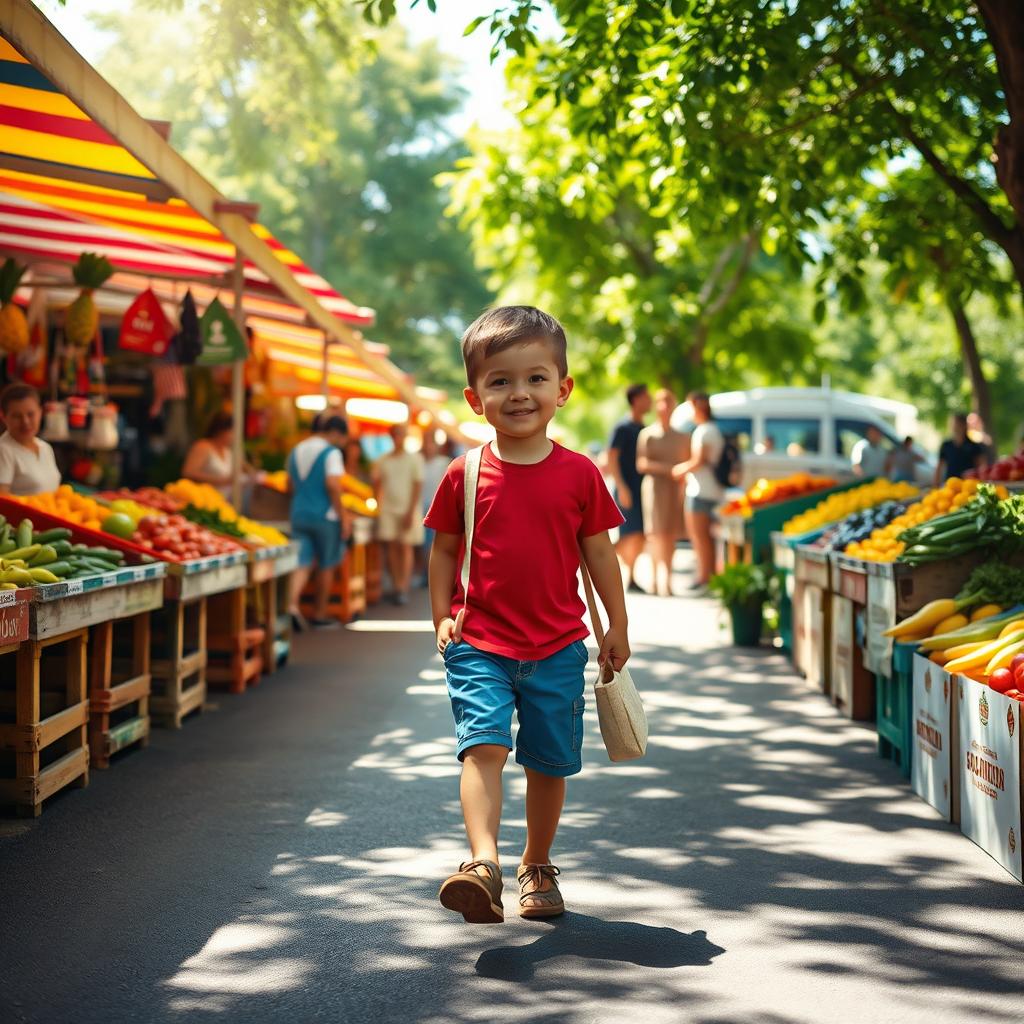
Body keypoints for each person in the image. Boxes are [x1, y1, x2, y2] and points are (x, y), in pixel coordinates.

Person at [425, 305, 629, 924]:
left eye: (536, 379)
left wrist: (617, 624)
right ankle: (481, 865)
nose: (519, 394)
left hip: (559, 646)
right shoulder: (464, 474)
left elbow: (599, 553)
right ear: (474, 396)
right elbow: (442, 549)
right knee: (480, 747)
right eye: (501, 381)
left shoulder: (580, 474)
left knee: (547, 762)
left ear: (563, 390)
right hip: (480, 642)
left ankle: (536, 863)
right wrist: (442, 614)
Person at [286, 413, 351, 631]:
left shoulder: (297, 450)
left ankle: (291, 605)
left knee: (302, 562)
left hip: (299, 513)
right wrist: (343, 517)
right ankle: (319, 614)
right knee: (326, 563)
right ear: (335, 433)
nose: (342, 444)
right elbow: (333, 485)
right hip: (325, 516)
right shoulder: (331, 453)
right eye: (343, 439)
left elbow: (289, 486)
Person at [636, 389, 689, 597]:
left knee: (671, 535)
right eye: (661, 403)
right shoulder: (647, 434)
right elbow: (642, 463)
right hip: (655, 488)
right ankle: (655, 579)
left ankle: (667, 579)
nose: (665, 407)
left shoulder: (683, 437)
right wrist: (669, 469)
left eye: (669, 402)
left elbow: (686, 463)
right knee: (656, 534)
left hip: (676, 489)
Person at [672, 391, 723, 589]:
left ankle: (704, 578)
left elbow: (698, 461)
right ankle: (707, 577)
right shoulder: (713, 430)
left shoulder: (704, 431)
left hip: (700, 490)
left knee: (699, 538)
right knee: (706, 538)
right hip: (711, 490)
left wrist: (679, 469)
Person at [373, 421, 425, 606]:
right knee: (393, 547)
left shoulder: (414, 459)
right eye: (395, 435)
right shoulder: (383, 460)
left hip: (407, 507)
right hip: (388, 508)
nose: (398, 439)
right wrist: (378, 505)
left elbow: (418, 485)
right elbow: (377, 483)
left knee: (405, 546)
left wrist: (411, 511)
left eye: (401, 434)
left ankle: (402, 586)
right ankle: (397, 585)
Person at [607, 383, 651, 593]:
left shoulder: (643, 428)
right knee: (629, 534)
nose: (650, 400)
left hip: (642, 490)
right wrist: (622, 487)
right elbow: (612, 457)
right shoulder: (622, 427)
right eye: (646, 396)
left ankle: (631, 577)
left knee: (640, 534)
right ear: (636, 399)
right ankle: (598, 558)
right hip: (627, 489)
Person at [0, 383, 61, 496]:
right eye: (17, 416)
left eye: (31, 414)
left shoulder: (45, 448)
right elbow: (3, 501)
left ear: (40, 412)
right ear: (3, 417)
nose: (25, 422)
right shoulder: (3, 450)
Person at [182, 412, 253, 498]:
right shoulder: (203, 446)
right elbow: (188, 473)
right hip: (209, 497)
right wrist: (221, 481)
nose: (234, 436)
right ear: (221, 431)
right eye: (232, 432)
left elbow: (245, 469)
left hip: (230, 497)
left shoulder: (228, 450)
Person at [417, 428, 451, 587]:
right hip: (419, 507)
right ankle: (425, 574)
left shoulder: (443, 463)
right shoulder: (418, 461)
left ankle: (430, 576)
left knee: (433, 544)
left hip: (435, 507)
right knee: (421, 543)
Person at [936, 412, 987, 485]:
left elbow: (982, 467)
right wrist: (935, 486)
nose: (954, 426)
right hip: (950, 486)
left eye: (956, 423)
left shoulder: (974, 446)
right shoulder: (946, 445)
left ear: (964, 425)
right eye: (952, 423)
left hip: (968, 485)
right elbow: (939, 467)